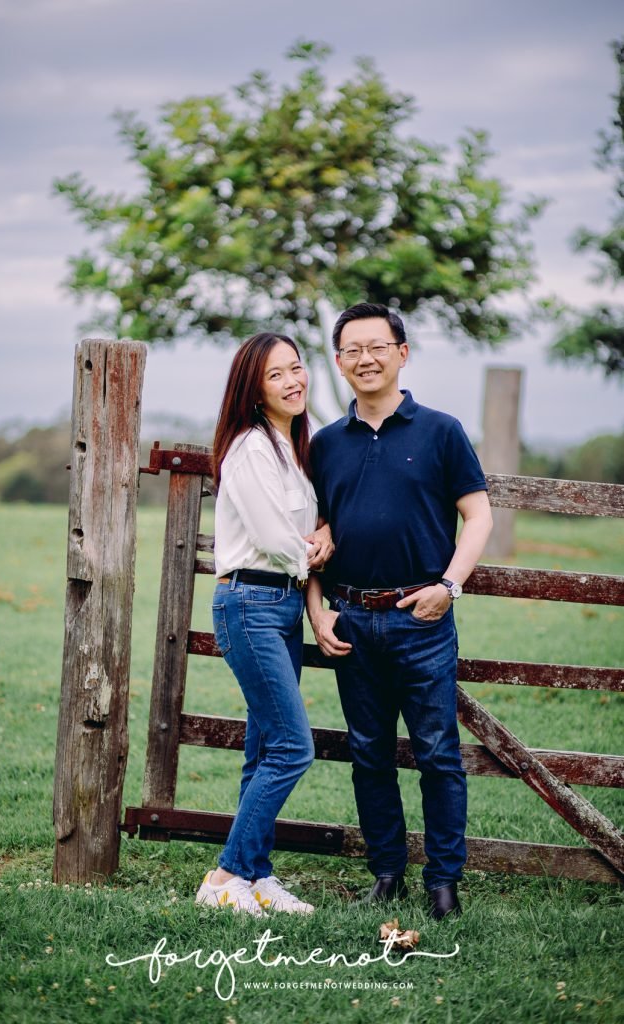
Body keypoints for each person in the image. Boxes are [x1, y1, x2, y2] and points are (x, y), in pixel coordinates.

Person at [307, 302, 493, 920]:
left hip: (423, 619)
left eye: (377, 347)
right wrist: (317, 608)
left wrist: (450, 585)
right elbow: (312, 531)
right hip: (353, 621)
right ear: (338, 361)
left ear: (402, 353)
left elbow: (478, 515)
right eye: (352, 350)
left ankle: (444, 881)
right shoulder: (326, 443)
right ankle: (387, 872)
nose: (365, 359)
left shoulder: (441, 431)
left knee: (438, 752)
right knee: (369, 752)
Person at [196, 331, 333, 916]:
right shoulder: (251, 448)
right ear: (253, 390)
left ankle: (255, 874)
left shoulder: (290, 450)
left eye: (297, 368)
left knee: (262, 748)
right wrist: (320, 548)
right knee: (292, 748)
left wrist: (323, 534)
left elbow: (306, 527)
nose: (293, 381)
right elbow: (280, 541)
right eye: (276, 374)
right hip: (250, 604)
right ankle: (222, 878)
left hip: (278, 606)